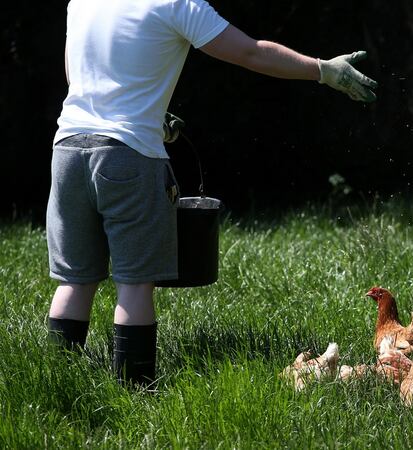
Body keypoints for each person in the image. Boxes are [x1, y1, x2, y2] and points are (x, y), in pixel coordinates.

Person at [46, 0, 377, 388]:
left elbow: (78, 76)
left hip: (68, 149)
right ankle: (133, 394)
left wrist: (150, 113)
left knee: (74, 281)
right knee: (134, 284)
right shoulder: (176, 3)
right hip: (128, 157)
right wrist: (323, 70)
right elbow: (251, 52)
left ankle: (58, 386)